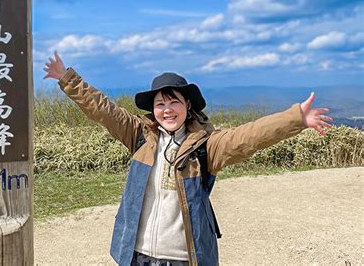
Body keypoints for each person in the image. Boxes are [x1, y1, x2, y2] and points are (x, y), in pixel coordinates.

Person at [43, 52, 333, 266]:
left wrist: (296, 118)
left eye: (174, 102)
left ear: (187, 105)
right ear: (153, 110)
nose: (167, 110)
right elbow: (103, 109)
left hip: (183, 258)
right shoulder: (140, 136)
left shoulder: (207, 145)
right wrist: (68, 79)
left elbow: (249, 137)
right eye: (160, 104)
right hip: (137, 255)